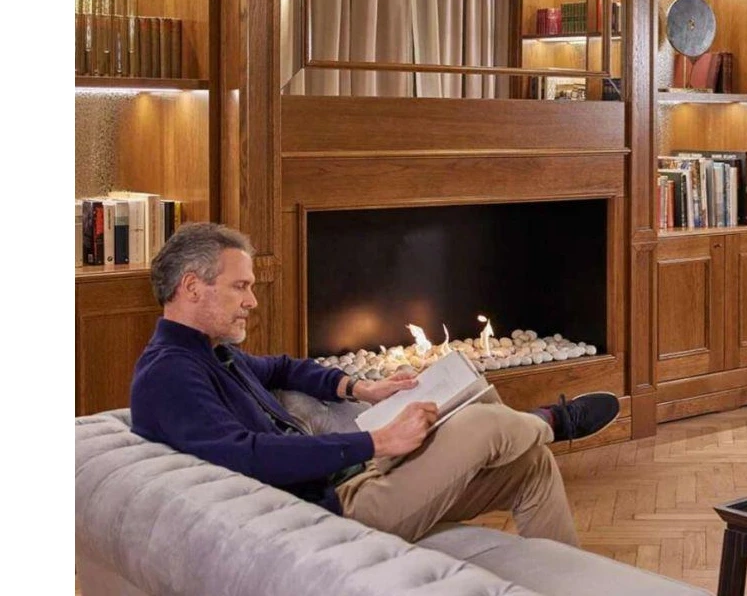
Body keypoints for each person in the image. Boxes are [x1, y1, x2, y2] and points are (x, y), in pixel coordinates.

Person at [129, 223, 620, 545]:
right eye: (241, 286)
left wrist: (358, 389)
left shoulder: (209, 352)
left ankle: (569, 581)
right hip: (333, 512)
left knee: (530, 463)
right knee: (486, 426)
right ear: (191, 287)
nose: (252, 301)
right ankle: (551, 421)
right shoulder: (169, 374)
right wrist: (378, 441)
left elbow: (280, 369)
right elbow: (248, 456)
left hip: (354, 478)